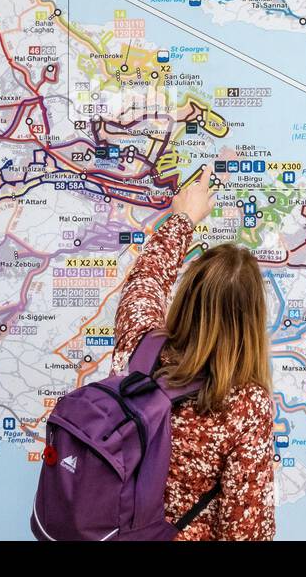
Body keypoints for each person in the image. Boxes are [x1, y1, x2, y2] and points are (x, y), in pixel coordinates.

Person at [109, 165, 276, 540]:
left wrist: (183, 218)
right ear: (250, 325)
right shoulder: (244, 405)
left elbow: (146, 280)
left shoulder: (140, 346)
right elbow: (245, 528)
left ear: (186, 298)